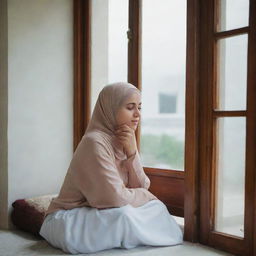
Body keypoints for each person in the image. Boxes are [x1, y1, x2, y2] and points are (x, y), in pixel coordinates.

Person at [39, 82, 183, 254]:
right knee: (124, 215)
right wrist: (144, 195)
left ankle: (123, 236)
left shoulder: (126, 139)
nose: (137, 114)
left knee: (156, 208)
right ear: (110, 109)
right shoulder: (94, 142)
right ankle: (128, 236)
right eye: (130, 107)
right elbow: (114, 198)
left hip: (100, 211)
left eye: (139, 107)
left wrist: (131, 154)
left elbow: (140, 185)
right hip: (68, 218)